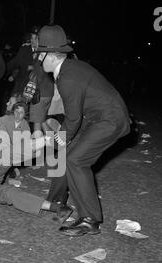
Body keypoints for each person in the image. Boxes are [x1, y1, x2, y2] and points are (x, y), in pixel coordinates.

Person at [35, 25, 131, 236]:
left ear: (50, 55)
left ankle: (90, 219)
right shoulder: (67, 70)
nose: (39, 59)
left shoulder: (68, 76)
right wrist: (57, 141)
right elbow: (74, 118)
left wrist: (53, 140)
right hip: (96, 118)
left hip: (109, 120)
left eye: (40, 54)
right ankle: (57, 201)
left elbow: (73, 118)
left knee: (76, 160)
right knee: (64, 154)